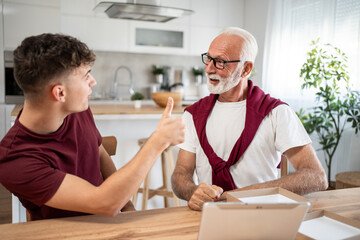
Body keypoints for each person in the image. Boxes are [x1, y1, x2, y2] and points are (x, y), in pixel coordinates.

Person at [0, 33, 185, 220]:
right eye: (86, 76)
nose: (93, 82)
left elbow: (99, 154)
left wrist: (127, 206)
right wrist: (158, 141)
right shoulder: (14, 160)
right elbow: (103, 203)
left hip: (109, 222)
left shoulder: (76, 109)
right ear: (60, 93)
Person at [171, 27, 328, 211]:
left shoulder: (276, 112)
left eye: (220, 62)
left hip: (262, 216)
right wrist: (193, 191)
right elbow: (181, 175)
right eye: (209, 58)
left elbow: (316, 176)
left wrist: (240, 196)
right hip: (206, 217)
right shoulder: (192, 115)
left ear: (245, 69)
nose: (209, 68)